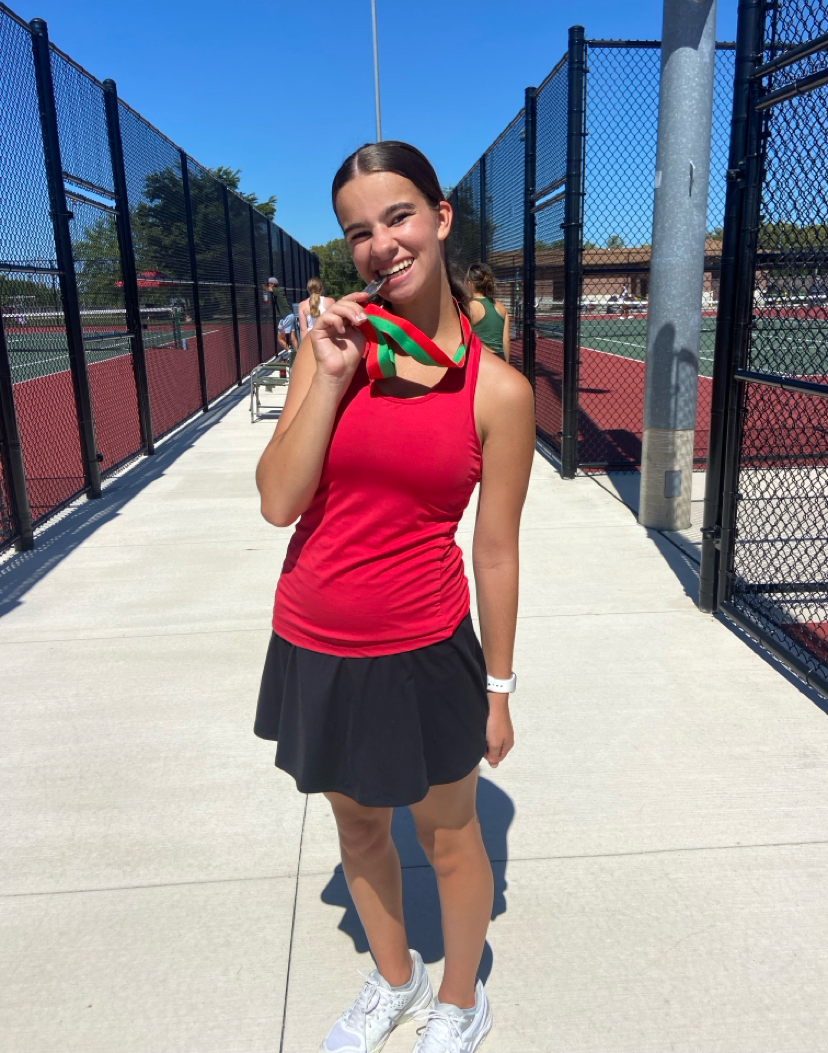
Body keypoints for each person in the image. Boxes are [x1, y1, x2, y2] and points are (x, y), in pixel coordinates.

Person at [254, 141, 535, 1053]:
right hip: (314, 639)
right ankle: (392, 977)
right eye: (358, 231)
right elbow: (277, 501)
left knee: (450, 840)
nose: (381, 243)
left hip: (423, 649)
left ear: (441, 217)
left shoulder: (498, 392)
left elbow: (494, 552)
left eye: (399, 216)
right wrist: (327, 377)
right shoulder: (330, 348)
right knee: (359, 827)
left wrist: (498, 688)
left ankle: (460, 998)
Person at [466, 264, 510, 362]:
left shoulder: (469, 308)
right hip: (500, 359)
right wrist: (507, 365)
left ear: (470, 283)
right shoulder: (501, 307)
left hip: (480, 359)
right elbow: (506, 340)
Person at [267, 277, 298, 351]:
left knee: (282, 338)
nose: (268, 285)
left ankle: (290, 353)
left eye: (269, 283)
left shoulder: (277, 290)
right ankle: (297, 354)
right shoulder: (277, 292)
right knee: (292, 337)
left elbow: (265, 288)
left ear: (273, 284)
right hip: (288, 316)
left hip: (287, 317)